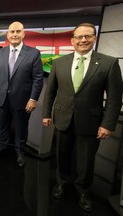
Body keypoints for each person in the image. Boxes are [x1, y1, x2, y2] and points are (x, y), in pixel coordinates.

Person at [42, 23, 123, 212]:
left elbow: (114, 97)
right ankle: (61, 182)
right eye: (79, 37)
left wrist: (107, 124)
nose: (83, 40)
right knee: (61, 155)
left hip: (91, 121)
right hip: (62, 118)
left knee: (86, 161)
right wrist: (46, 113)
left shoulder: (108, 63)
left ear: (94, 38)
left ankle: (83, 190)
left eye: (88, 36)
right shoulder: (59, 62)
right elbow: (50, 92)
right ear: (72, 40)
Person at [0, 21, 44, 167]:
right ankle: (2, 147)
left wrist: (33, 99)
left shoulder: (33, 53)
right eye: (12, 32)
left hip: (23, 99)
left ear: (23, 34)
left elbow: (38, 79)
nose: (15, 34)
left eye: (18, 31)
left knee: (21, 127)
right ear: (7, 35)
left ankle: (20, 152)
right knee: (2, 125)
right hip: (1, 99)